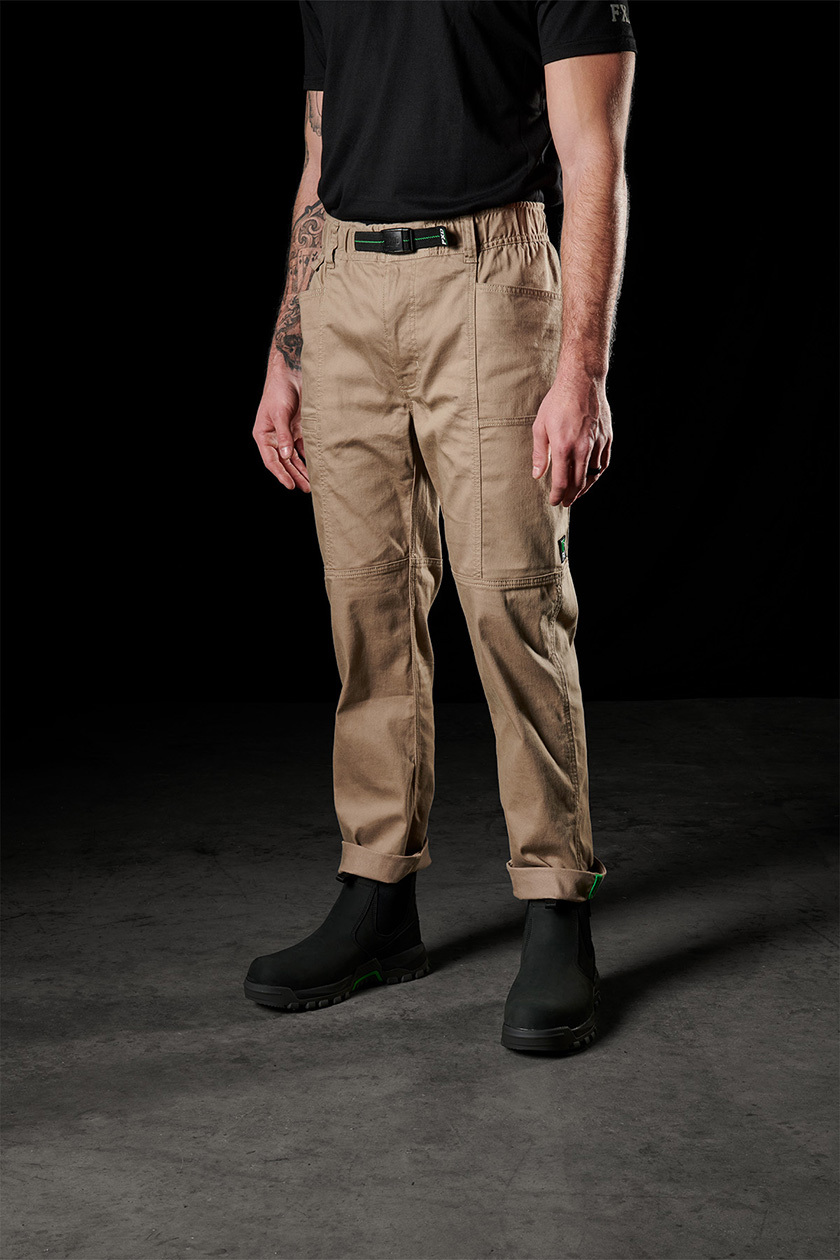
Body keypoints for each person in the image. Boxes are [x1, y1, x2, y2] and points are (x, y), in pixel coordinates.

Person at [246, 0, 637, 1054]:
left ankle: (556, 901)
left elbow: (593, 155)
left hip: (490, 277)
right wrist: (287, 346)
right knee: (365, 603)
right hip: (344, 286)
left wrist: (583, 370)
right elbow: (320, 152)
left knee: (514, 599)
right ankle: (378, 894)